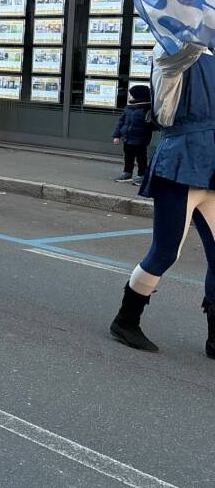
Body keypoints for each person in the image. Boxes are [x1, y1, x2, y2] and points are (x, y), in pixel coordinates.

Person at [109, 43, 215, 358]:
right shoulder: (174, 48)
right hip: (182, 161)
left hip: (210, 165)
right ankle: (126, 320)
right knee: (166, 251)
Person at [112, 85, 155, 185]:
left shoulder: (147, 109)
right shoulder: (128, 107)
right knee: (128, 156)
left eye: (131, 95)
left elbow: (153, 125)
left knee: (141, 157)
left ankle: (142, 175)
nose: (129, 97)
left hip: (140, 138)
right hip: (127, 137)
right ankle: (127, 173)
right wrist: (116, 135)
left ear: (138, 96)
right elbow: (121, 122)